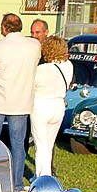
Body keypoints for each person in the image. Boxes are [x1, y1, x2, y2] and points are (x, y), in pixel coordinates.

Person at [0, 13, 41, 192]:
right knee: (18, 145)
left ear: (4, 27)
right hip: (21, 102)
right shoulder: (34, 45)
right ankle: (16, 183)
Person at [30, 36, 72, 178]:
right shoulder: (69, 66)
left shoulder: (40, 69)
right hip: (58, 105)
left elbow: (32, 87)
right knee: (49, 144)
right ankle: (46, 174)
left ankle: (41, 177)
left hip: (41, 105)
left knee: (40, 145)